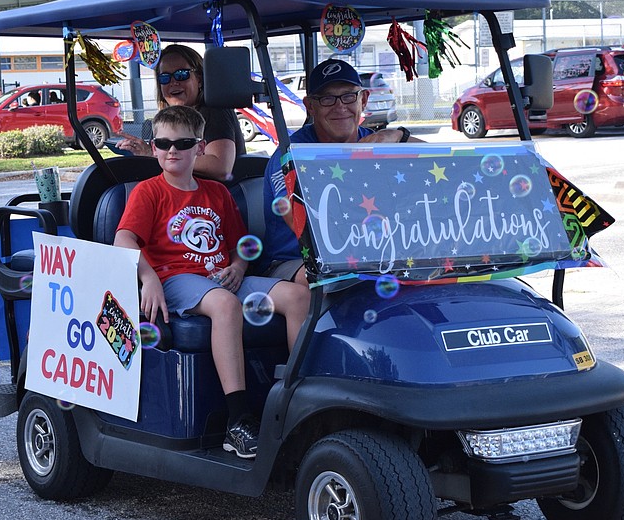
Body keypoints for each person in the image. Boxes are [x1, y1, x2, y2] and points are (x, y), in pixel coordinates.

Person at [114, 105, 309, 459]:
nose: (173, 150)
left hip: (219, 277)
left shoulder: (217, 194)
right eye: (163, 142)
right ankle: (237, 420)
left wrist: (238, 266)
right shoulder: (149, 192)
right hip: (174, 279)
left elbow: (240, 247)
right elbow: (124, 241)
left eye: (183, 142)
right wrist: (148, 278)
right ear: (154, 147)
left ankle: (298, 401)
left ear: (200, 148)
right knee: (224, 304)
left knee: (298, 296)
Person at [258, 59, 423, 286]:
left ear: (363, 100)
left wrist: (398, 136)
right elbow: (299, 221)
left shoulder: (377, 141)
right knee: (329, 282)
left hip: (371, 255)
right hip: (295, 261)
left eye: (348, 96)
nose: (340, 107)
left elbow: (438, 168)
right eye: (327, 99)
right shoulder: (290, 154)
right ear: (310, 106)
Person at [116, 44, 246, 181]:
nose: (173, 82)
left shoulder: (214, 110)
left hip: (212, 197)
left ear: (199, 79)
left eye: (181, 75)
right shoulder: (170, 118)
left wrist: (154, 154)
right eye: (165, 77)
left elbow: (220, 167)